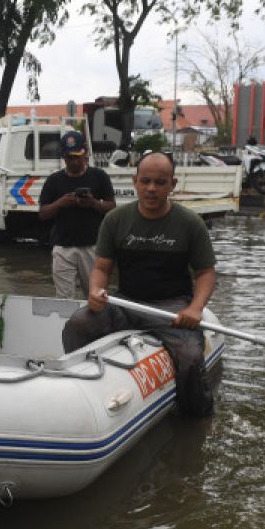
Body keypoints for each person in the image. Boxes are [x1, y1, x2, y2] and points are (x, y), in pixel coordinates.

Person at [62, 151, 217, 417]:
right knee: (77, 325)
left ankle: (198, 418)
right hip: (125, 301)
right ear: (135, 182)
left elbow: (205, 273)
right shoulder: (115, 220)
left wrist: (195, 308)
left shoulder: (190, 223)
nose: (151, 189)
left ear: (173, 184)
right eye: (145, 181)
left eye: (160, 182)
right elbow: (101, 268)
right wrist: (95, 291)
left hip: (170, 309)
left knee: (191, 359)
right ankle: (82, 392)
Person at [38, 130, 116, 299]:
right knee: (64, 298)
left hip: (93, 246)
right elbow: (43, 214)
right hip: (63, 247)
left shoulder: (99, 176)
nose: (73, 161)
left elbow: (112, 207)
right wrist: (60, 203)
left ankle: (94, 325)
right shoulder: (54, 180)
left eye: (76, 156)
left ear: (85, 153)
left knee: (95, 295)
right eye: (68, 157)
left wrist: (93, 203)